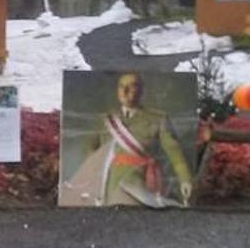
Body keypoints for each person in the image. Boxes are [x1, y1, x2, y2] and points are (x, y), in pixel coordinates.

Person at [65, 73, 193, 208]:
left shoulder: (158, 118)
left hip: (140, 181)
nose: (124, 91)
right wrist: (93, 176)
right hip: (108, 183)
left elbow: (174, 152)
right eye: (121, 86)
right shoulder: (106, 119)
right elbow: (90, 149)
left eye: (131, 86)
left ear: (141, 91)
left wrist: (185, 180)